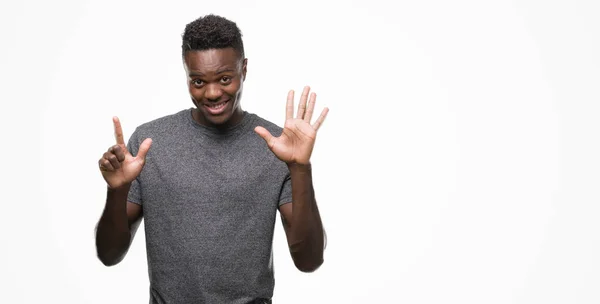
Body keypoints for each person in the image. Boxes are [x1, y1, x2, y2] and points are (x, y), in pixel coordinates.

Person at [94, 14, 328, 304]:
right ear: (186, 74)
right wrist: (116, 191)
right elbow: (109, 255)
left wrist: (300, 168)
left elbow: (309, 260)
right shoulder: (149, 143)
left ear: (244, 69)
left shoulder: (277, 146)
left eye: (225, 78)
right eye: (198, 81)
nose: (213, 92)